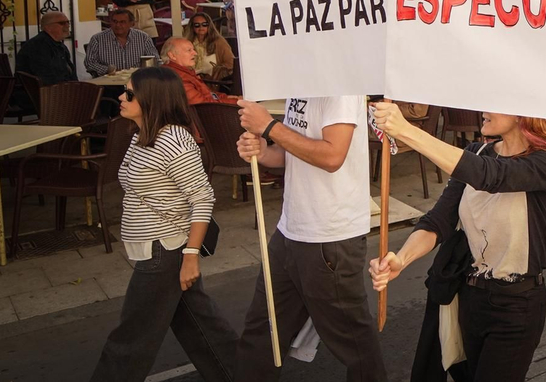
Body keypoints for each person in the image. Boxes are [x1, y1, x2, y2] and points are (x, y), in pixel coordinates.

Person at [367, 103, 546, 380]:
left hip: (515, 305)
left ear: (524, 110)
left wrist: (405, 130)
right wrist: (402, 258)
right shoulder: (476, 153)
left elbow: (491, 176)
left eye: (496, 101)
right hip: (468, 297)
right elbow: (439, 220)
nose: (484, 108)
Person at [89, 68, 236, 382]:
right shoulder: (141, 134)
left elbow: (203, 197)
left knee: (130, 338)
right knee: (199, 325)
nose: (121, 97)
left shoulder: (174, 141)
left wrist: (191, 256)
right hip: (154, 248)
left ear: (151, 99)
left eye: (129, 93)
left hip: (166, 250)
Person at [233, 95, 384, 381]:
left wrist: (269, 126)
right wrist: (264, 151)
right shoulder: (301, 86)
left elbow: (331, 156)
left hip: (330, 235)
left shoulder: (340, 87)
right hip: (292, 228)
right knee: (263, 331)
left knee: (352, 342)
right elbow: (294, 151)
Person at [85, 7, 159, 77]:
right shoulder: (97, 39)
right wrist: (109, 70)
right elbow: (89, 63)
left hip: (137, 81)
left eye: (122, 22)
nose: (118, 25)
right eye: (115, 21)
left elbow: (154, 59)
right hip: (109, 83)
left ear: (132, 24)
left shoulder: (143, 38)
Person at [162, 38, 238, 107]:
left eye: (193, 49)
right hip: (207, 116)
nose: (195, 53)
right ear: (172, 55)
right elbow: (201, 105)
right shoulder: (177, 76)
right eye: (189, 50)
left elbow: (208, 94)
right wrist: (235, 102)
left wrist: (225, 97)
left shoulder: (183, 71)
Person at [17, 11, 77, 85]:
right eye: (62, 23)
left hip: (60, 90)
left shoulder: (60, 46)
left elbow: (70, 72)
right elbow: (46, 78)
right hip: (40, 93)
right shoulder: (38, 46)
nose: (67, 25)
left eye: (68, 22)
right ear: (48, 27)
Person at [187, 12, 236, 82]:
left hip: (212, 81)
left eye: (204, 24)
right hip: (191, 79)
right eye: (197, 25)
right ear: (192, 27)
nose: (201, 27)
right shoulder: (188, 43)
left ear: (209, 25)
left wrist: (214, 72)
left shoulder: (219, 42)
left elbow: (231, 63)